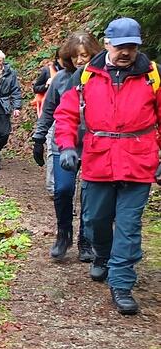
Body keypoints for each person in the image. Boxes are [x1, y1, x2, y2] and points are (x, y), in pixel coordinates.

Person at [55, 18, 161, 315]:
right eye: (120, 46)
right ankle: (102, 254)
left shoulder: (152, 76)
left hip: (139, 161)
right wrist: (66, 146)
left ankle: (122, 283)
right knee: (95, 220)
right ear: (107, 44)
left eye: (132, 47)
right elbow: (66, 114)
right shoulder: (87, 75)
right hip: (98, 159)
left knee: (128, 225)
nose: (126, 52)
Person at [32, 31, 100, 261]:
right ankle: (64, 234)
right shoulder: (61, 79)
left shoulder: (102, 80)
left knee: (90, 194)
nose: (80, 60)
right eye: (75, 56)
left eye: (85, 55)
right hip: (63, 142)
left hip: (93, 145)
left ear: (94, 55)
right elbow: (48, 111)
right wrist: (38, 139)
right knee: (62, 190)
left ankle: (86, 240)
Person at [32, 57, 62, 197]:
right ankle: (52, 185)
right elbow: (36, 88)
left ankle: (65, 185)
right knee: (52, 149)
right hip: (50, 115)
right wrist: (46, 85)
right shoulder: (47, 70)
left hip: (70, 117)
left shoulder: (77, 73)